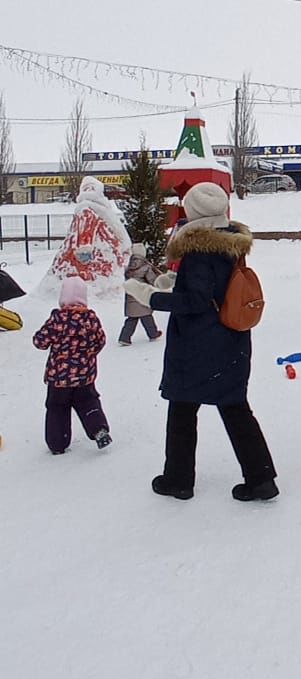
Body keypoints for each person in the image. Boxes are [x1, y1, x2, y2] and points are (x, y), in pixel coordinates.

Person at [126, 182, 278, 502]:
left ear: (193, 212)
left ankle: (178, 479)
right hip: (232, 341)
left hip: (197, 347)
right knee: (235, 408)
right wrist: (173, 281)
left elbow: (195, 300)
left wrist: (152, 297)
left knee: (181, 411)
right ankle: (261, 478)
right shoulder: (229, 243)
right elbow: (215, 287)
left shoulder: (197, 250)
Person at [32, 276, 112, 454]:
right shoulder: (90, 318)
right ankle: (98, 429)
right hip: (84, 376)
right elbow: (101, 340)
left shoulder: (57, 319)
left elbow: (40, 341)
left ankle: (57, 443)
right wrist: (89, 354)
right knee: (89, 402)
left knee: (57, 408)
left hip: (59, 379)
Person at [119, 243, 163, 344]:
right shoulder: (145, 267)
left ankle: (124, 338)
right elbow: (152, 279)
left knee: (132, 318)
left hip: (131, 295)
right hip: (142, 294)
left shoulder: (129, 266)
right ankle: (153, 333)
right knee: (147, 316)